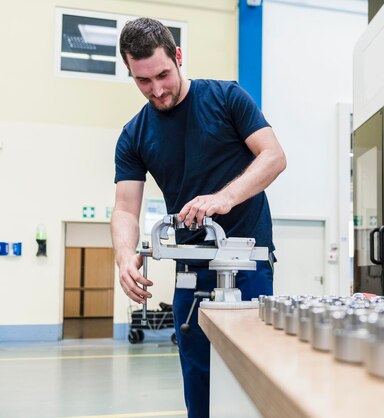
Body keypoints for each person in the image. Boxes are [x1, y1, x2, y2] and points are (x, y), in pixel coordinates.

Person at [111, 17, 286, 418]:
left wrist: (225, 197)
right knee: (199, 379)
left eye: (162, 75)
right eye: (142, 81)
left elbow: (274, 157)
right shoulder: (134, 135)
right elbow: (124, 208)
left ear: (178, 56)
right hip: (191, 272)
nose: (156, 90)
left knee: (253, 375)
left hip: (249, 264)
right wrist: (124, 255)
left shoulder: (227, 98)